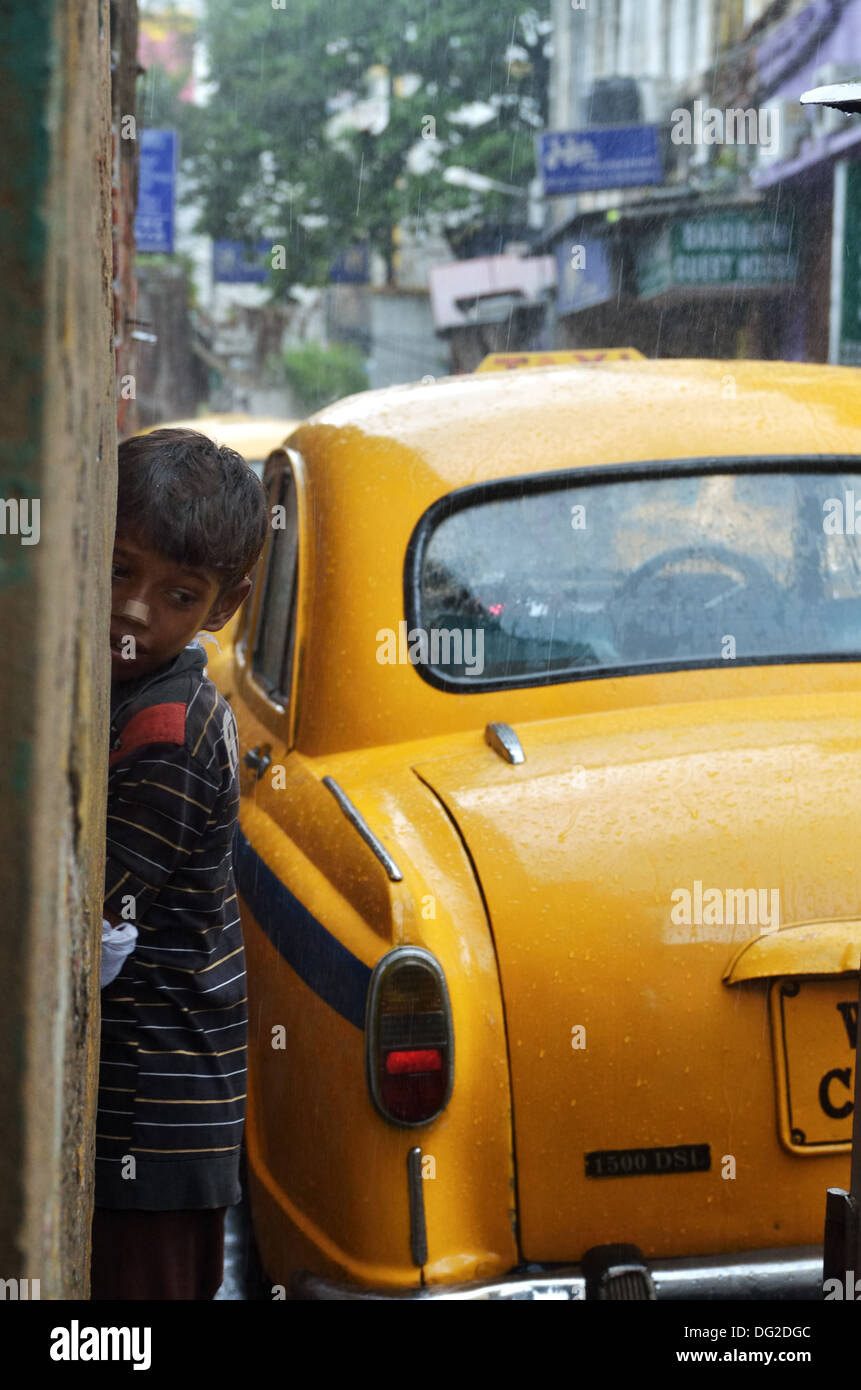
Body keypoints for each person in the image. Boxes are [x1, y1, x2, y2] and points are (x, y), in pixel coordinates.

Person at [91, 428, 269, 1300]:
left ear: (225, 605)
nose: (134, 609)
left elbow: (89, 936)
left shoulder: (166, 729)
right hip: (164, 1114)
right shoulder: (143, 692)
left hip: (150, 1126)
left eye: (176, 593)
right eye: (119, 569)